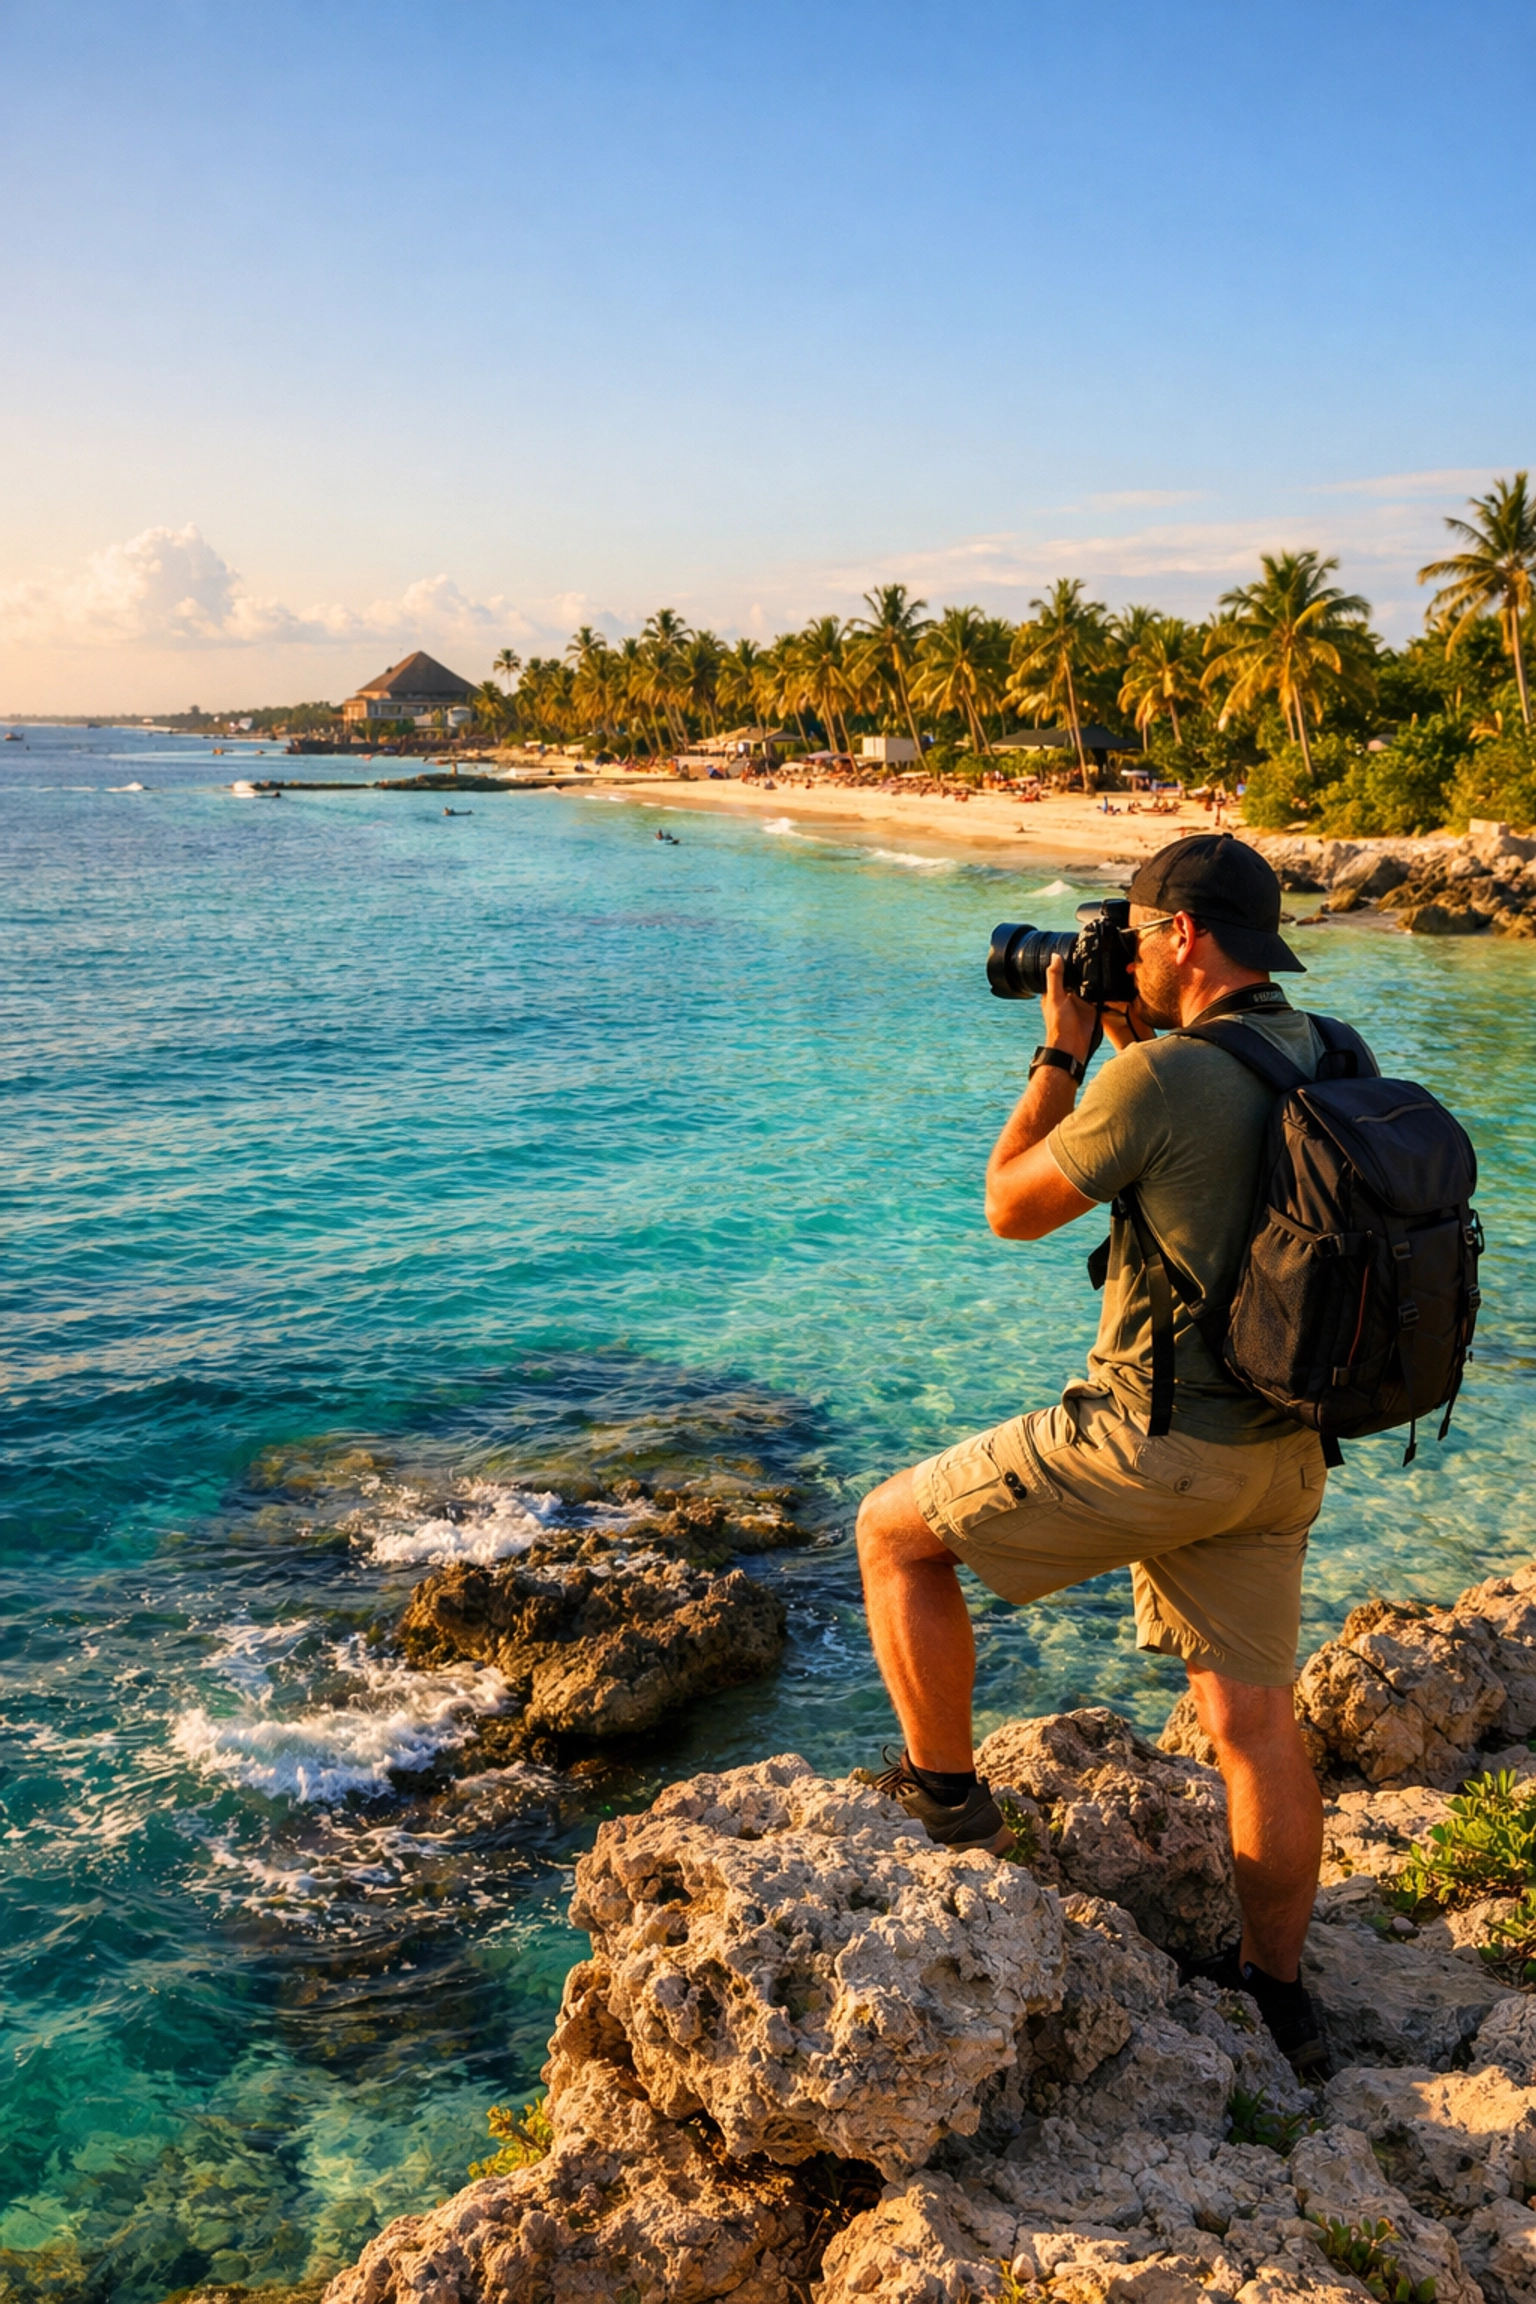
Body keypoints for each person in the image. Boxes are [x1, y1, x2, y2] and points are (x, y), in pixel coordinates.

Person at [856, 834, 1374, 2075]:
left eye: (1136, 936)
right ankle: (1276, 1998)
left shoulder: (1152, 1082)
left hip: (1156, 1444)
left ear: (1182, 936)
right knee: (1254, 1726)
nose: (1124, 957)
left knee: (890, 1533)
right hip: (1284, 1454)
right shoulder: (1329, 1050)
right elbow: (1225, 1161)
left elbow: (1009, 1204)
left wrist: (1062, 1052)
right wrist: (1134, 1045)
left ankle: (948, 1805)